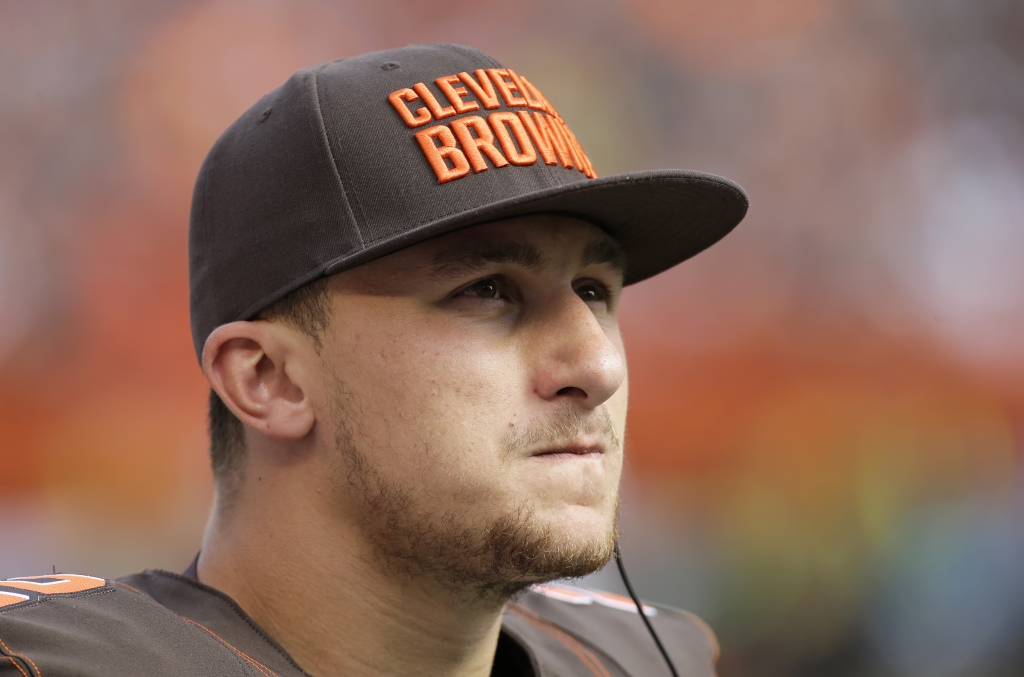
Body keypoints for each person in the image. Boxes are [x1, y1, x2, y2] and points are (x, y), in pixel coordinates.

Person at [0, 43, 747, 677]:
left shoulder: (646, 653)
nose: (598, 365)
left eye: (594, 289)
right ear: (269, 379)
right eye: (487, 290)